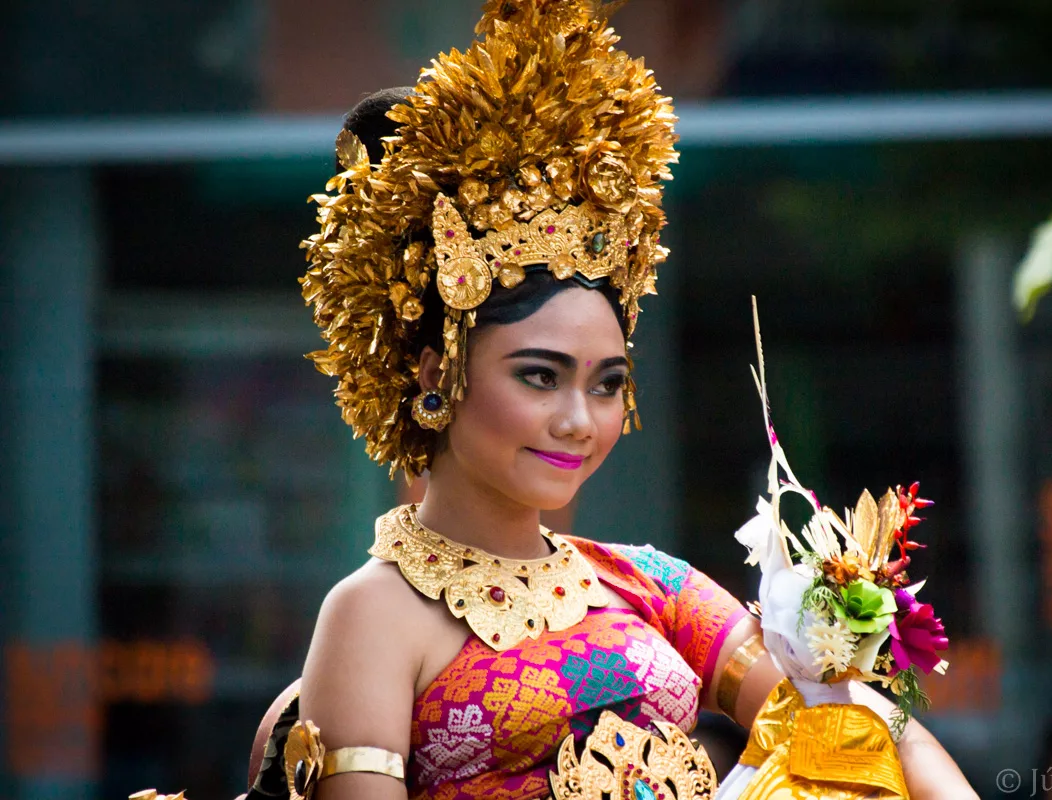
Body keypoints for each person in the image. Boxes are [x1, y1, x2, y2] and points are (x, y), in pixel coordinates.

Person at [135, 2, 975, 799]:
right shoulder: (372, 614)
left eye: (607, 384)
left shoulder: (648, 581)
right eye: (539, 376)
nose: (580, 420)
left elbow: (853, 725)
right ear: (436, 376)